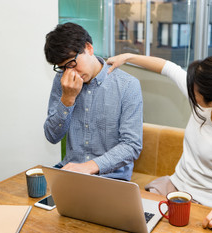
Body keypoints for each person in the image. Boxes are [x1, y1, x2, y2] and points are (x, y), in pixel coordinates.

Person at [106, 53, 212, 230]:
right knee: (127, 222)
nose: (190, 90)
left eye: (194, 90)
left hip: (205, 205)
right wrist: (127, 57)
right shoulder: (203, 102)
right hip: (173, 188)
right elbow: (168, 68)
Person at [43, 23, 143, 181]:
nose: (70, 73)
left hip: (111, 178)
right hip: (70, 173)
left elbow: (131, 146)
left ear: (89, 48)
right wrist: (67, 99)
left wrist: (89, 167)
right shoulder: (62, 82)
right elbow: (51, 136)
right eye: (63, 68)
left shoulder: (127, 85)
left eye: (72, 64)